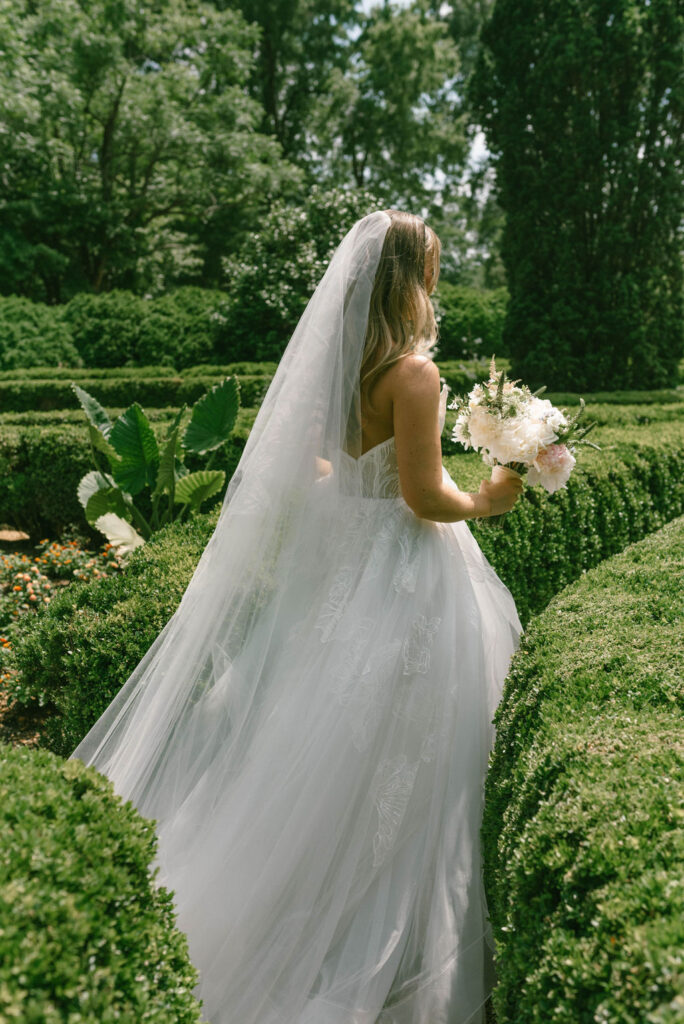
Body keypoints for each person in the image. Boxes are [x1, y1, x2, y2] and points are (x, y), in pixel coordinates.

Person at [69, 209, 524, 1024]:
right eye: (432, 271)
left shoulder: (342, 368)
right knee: (412, 748)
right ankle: (385, 935)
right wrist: (491, 496)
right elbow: (424, 497)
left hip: (347, 569)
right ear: (410, 282)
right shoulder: (413, 376)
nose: (436, 285)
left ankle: (298, 901)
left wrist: (354, 491)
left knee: (321, 739)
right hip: (408, 572)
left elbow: (317, 463)